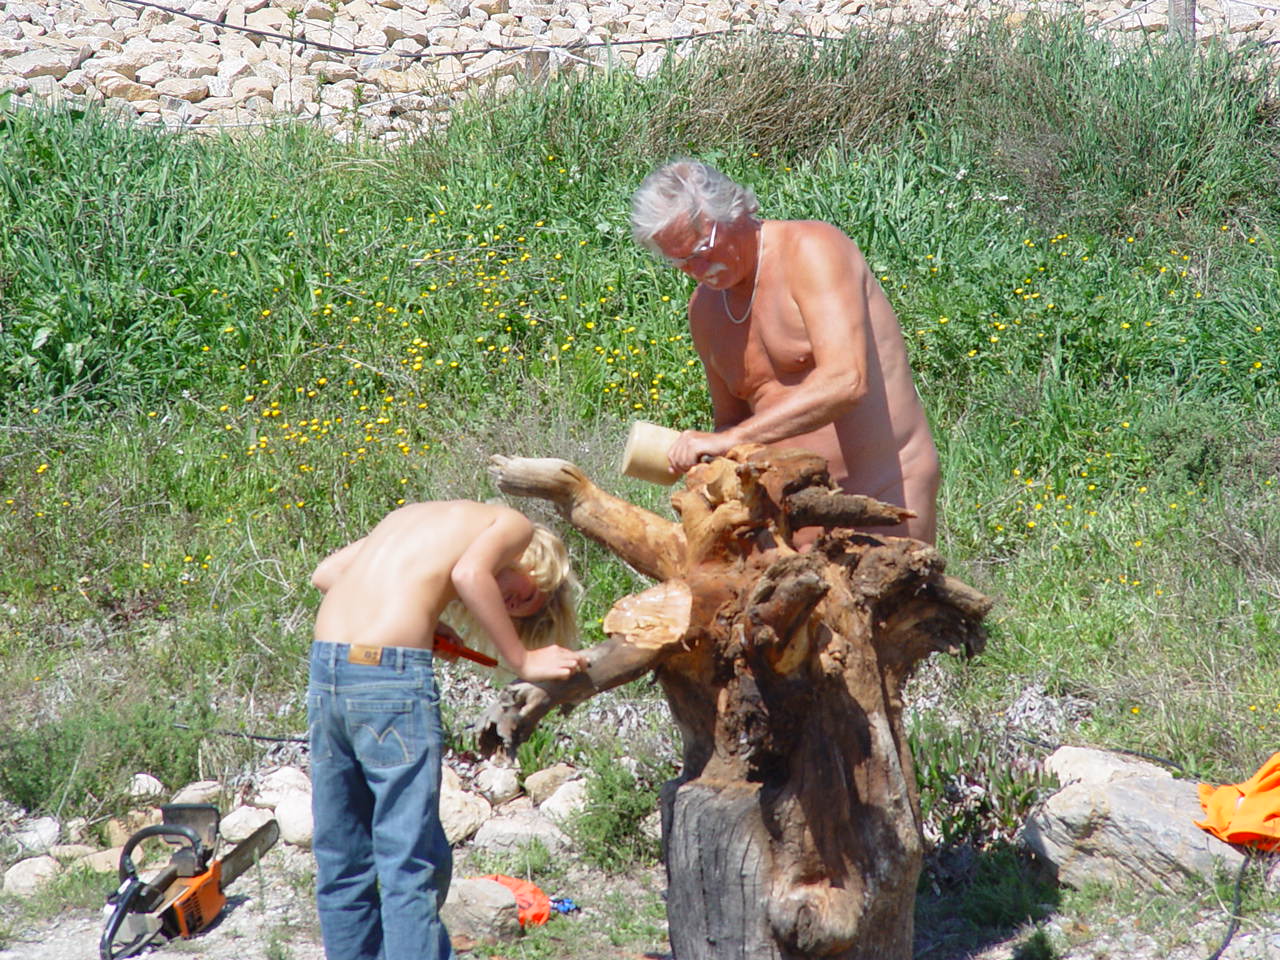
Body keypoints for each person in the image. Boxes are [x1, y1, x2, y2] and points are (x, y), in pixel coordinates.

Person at [307, 500, 587, 960]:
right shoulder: (514, 525)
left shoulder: (412, 517)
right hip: (389, 678)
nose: (513, 607)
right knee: (409, 860)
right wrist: (523, 659)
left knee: (343, 854)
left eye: (518, 612)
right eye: (526, 596)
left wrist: (424, 618)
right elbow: (470, 575)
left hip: (328, 672)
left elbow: (327, 573)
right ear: (539, 559)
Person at [631, 160, 940, 544]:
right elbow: (731, 423)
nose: (697, 269)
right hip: (789, 516)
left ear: (733, 211)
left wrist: (729, 439)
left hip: (881, 497)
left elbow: (846, 382)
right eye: (679, 261)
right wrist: (702, 458)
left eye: (701, 250)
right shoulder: (704, 309)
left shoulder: (811, 250)